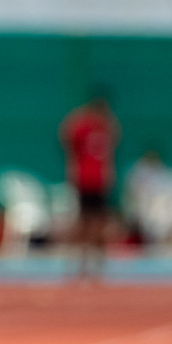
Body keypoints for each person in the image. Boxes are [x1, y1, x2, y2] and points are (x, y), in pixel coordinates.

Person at [60, 94, 121, 279]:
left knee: (99, 222)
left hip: (99, 179)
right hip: (85, 178)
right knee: (83, 221)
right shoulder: (81, 126)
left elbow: (112, 146)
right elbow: (66, 136)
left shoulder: (106, 127)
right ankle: (78, 261)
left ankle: (95, 263)